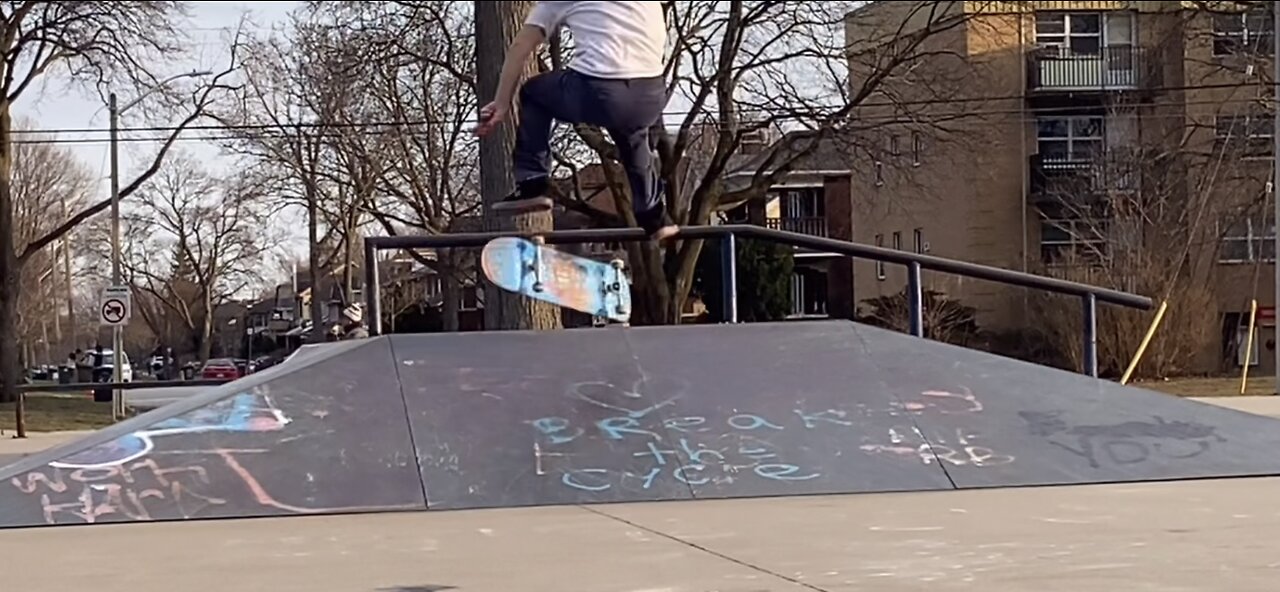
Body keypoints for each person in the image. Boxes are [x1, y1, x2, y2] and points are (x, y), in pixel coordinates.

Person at [474, 1, 677, 241]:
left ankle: (532, 182)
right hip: (650, 96)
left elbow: (520, 46)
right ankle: (653, 215)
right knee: (633, 136)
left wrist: (501, 102)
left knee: (534, 92)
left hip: (599, 90)